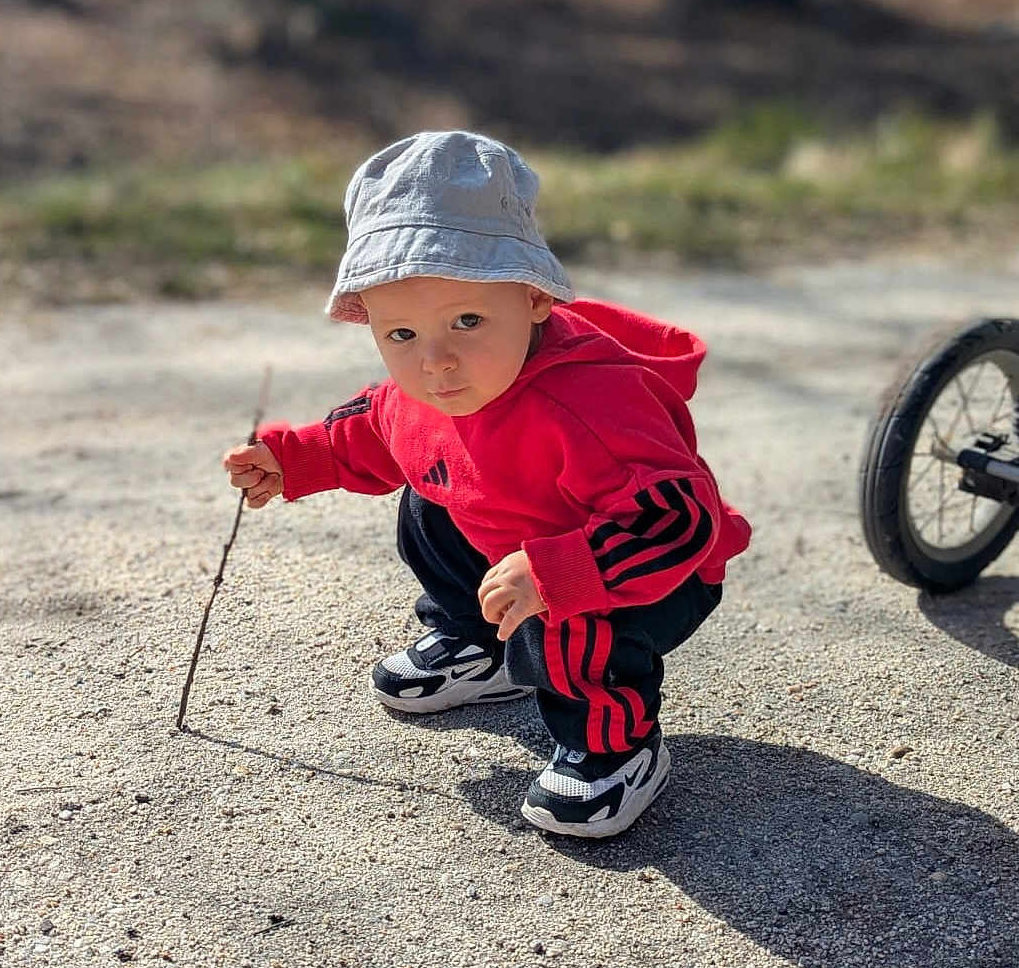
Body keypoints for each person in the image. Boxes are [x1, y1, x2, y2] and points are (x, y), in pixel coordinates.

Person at [223, 130, 751, 838]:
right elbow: (369, 434)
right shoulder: (421, 392)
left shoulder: (592, 405)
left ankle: (614, 745)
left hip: (650, 571)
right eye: (401, 335)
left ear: (533, 298)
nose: (436, 364)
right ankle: (481, 644)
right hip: (526, 545)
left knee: (569, 616)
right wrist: (292, 462)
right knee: (430, 495)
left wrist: (559, 572)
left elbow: (676, 522)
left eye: (467, 321)